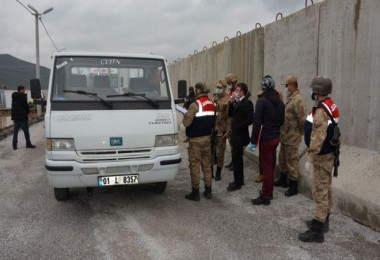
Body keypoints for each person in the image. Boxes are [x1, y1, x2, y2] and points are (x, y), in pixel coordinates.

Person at [299, 76, 340, 243]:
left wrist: (310, 157)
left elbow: (318, 136)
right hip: (328, 154)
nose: (311, 92)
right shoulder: (330, 105)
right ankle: (323, 221)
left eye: (312, 90)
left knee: (320, 191)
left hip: (322, 156)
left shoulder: (322, 111)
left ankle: (317, 231)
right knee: (326, 189)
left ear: (317, 91)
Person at [249, 76, 284, 205]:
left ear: (263, 88)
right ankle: (269, 191)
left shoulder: (262, 101)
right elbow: (282, 121)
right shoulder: (280, 102)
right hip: (276, 137)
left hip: (266, 138)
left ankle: (266, 195)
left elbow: (257, 122)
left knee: (267, 168)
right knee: (270, 164)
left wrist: (253, 141)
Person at [183, 82, 215, 201]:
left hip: (196, 141)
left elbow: (186, 123)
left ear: (198, 91)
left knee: (194, 165)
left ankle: (195, 193)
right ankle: (208, 190)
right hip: (207, 139)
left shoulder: (195, 105)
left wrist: (185, 115)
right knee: (206, 165)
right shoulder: (212, 103)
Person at [275, 75, 306, 197]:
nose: (286, 88)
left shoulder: (298, 99)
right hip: (285, 135)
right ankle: (283, 180)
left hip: (292, 137)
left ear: (292, 85)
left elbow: (302, 119)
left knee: (292, 162)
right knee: (282, 159)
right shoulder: (290, 98)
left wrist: (301, 134)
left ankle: (293, 186)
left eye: (287, 86)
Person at [226, 82, 254, 191]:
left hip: (240, 135)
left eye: (237, 90)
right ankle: (239, 179)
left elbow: (251, 118)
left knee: (237, 159)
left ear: (242, 91)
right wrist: (231, 103)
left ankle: (237, 182)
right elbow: (230, 114)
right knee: (236, 158)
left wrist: (239, 126)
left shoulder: (247, 103)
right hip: (235, 135)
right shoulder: (237, 102)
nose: (235, 92)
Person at [213, 80, 231, 181]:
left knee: (220, 152)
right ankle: (210, 171)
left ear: (224, 88)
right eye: (217, 87)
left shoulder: (228, 100)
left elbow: (229, 117)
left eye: (219, 88)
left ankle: (218, 172)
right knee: (211, 151)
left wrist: (228, 131)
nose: (217, 89)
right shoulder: (214, 98)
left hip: (222, 130)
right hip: (213, 129)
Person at [11, 85, 36, 150]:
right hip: (22, 117)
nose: (24, 91)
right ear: (21, 90)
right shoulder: (23, 96)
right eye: (24, 90)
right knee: (26, 132)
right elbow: (26, 107)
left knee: (15, 132)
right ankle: (28, 144)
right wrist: (27, 112)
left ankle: (14, 145)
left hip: (16, 118)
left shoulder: (14, 96)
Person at [224, 73, 238, 171]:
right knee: (231, 141)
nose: (228, 84)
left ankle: (235, 162)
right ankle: (233, 161)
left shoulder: (237, 92)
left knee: (233, 142)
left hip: (233, 120)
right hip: (228, 120)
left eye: (229, 82)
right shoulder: (230, 91)